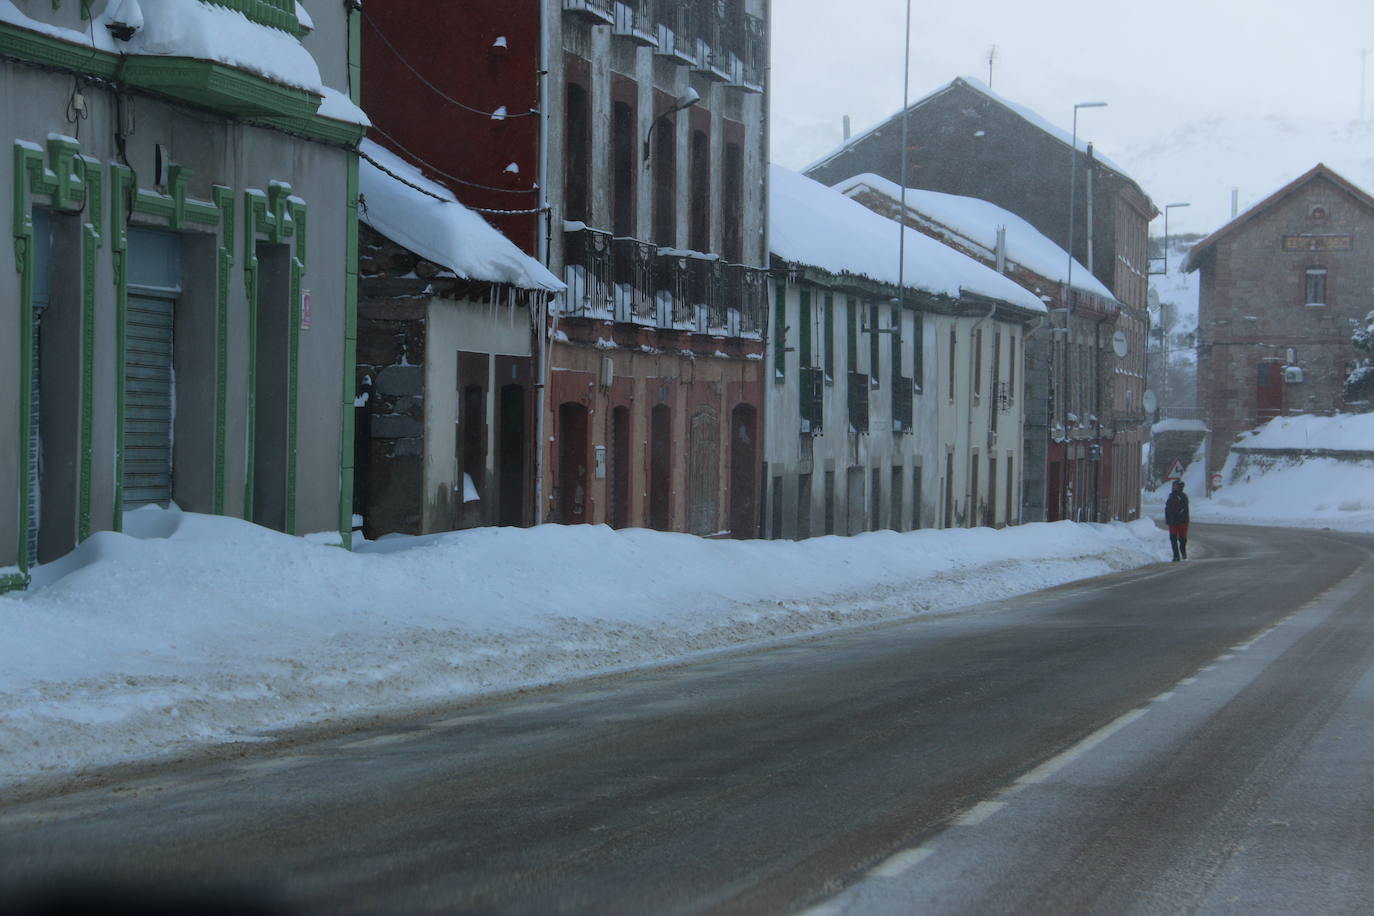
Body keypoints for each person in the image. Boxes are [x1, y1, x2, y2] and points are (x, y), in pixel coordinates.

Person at [1164, 479, 1190, 561]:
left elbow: (1183, 508)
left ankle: (1183, 551)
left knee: (1182, 538)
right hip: (1172, 522)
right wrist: (1169, 518)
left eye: (1175, 486)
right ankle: (1176, 555)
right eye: (1173, 486)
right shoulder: (1170, 496)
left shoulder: (1183, 496)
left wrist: (1176, 514)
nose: (1173, 487)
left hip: (1182, 521)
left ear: (1180, 487)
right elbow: (1168, 507)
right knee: (1173, 538)